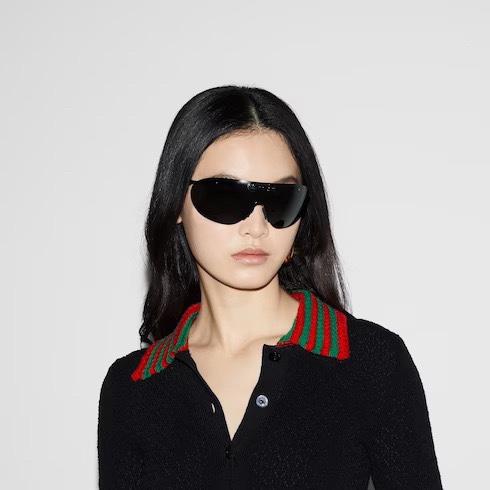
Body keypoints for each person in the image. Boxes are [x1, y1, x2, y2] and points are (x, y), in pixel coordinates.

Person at [97, 85, 443, 489]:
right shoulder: (133, 386)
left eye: (280, 200)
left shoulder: (371, 362)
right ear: (176, 203)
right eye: (225, 196)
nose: (256, 226)